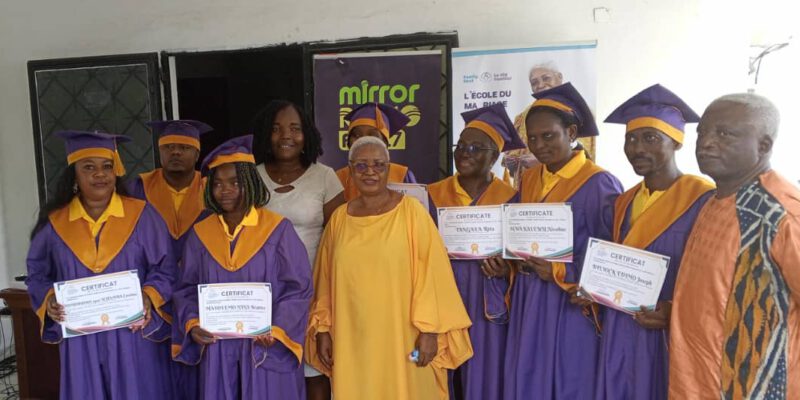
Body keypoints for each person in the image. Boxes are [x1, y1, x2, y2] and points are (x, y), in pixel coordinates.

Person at [306, 136, 473, 400]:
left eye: (378, 165)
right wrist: (324, 329)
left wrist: (430, 332)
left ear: (388, 168)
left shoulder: (412, 213)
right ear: (350, 171)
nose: (370, 172)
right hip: (353, 336)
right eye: (361, 166)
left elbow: (434, 274)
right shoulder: (339, 219)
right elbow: (325, 279)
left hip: (406, 337)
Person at [26, 130, 176, 399]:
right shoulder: (55, 224)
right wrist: (49, 299)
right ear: (75, 175)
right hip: (81, 337)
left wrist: (148, 296)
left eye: (107, 166)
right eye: (89, 167)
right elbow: (37, 272)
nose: (100, 174)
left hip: (132, 334)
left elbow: (166, 268)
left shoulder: (142, 215)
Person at [669, 93, 800, 399]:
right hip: (693, 382)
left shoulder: (781, 215)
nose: (706, 143)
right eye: (702, 133)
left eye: (724, 133)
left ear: (763, 146)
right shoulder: (716, 200)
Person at [592, 84, 715, 400]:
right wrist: (593, 290)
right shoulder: (623, 201)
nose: (637, 148)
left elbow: (712, 279)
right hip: (621, 328)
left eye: (650, 138)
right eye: (630, 139)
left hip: (668, 333)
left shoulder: (703, 198)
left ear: (676, 142)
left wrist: (673, 310)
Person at [503, 82, 623, 400]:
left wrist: (560, 271)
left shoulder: (599, 183)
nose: (539, 145)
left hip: (567, 303)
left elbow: (611, 255)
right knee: (528, 374)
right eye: (532, 138)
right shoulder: (529, 178)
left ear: (571, 133)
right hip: (530, 297)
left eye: (549, 136)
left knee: (568, 378)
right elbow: (516, 230)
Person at [172, 135, 313, 399]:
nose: (225, 190)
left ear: (250, 182)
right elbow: (185, 288)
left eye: (235, 182)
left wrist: (278, 329)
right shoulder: (200, 234)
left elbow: (298, 289)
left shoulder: (277, 230)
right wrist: (193, 323)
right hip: (218, 348)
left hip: (263, 347)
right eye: (218, 183)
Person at [427, 103, 522, 400]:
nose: (465, 152)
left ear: (494, 157)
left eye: (477, 148)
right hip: (443, 298)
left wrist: (507, 270)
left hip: (487, 299)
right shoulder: (431, 194)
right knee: (439, 373)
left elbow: (522, 257)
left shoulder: (512, 199)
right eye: (462, 145)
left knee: (485, 377)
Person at [251, 100, 344, 400]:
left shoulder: (325, 177)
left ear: (307, 135)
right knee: (270, 368)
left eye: (294, 128)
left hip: (313, 292)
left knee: (313, 369)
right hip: (266, 294)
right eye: (276, 129)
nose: (285, 136)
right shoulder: (251, 177)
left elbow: (339, 239)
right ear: (266, 135)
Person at [129, 119, 212, 253]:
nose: (175, 152)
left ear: (197, 155)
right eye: (168, 147)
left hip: (201, 270)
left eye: (184, 147)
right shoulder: (138, 188)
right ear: (159, 152)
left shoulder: (212, 189)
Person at [335, 102, 417, 201]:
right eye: (356, 135)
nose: (364, 140)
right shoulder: (338, 179)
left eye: (372, 135)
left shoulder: (402, 175)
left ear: (385, 143)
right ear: (348, 142)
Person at [503, 62, 566, 185]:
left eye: (546, 78)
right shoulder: (522, 117)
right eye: (534, 82)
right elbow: (511, 166)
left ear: (559, 77)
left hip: (563, 185)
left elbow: (585, 155)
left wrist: (543, 162)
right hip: (529, 186)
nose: (540, 85)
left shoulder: (575, 112)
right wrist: (513, 162)